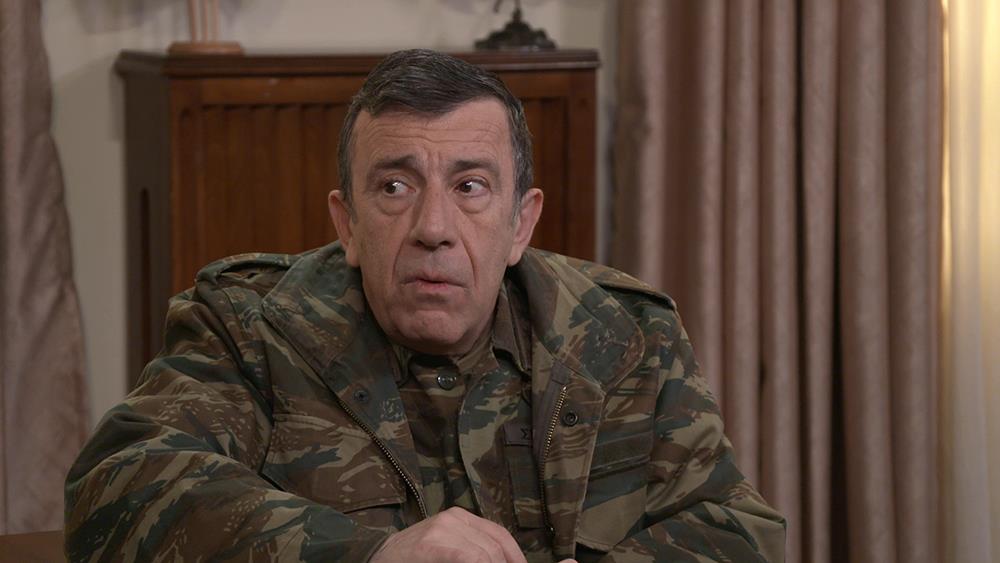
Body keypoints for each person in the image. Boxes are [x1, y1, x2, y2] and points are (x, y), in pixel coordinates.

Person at [65, 49, 785, 562]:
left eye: (470, 186)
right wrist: (370, 556)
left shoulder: (625, 335)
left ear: (521, 223)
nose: (433, 227)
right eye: (395, 187)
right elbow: (118, 488)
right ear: (348, 223)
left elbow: (735, 527)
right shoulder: (248, 326)